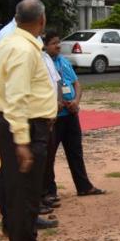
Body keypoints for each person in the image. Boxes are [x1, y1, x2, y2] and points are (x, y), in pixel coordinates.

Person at [0, 0, 62, 241]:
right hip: (25, 125)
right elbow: (17, 96)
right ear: (41, 21)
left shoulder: (11, 41)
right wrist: (21, 139)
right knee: (24, 194)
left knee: (25, 192)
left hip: (19, 123)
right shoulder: (23, 49)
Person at [42, 30, 105, 200]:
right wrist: (55, 103)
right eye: (54, 43)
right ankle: (49, 191)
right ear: (45, 46)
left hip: (70, 114)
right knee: (49, 155)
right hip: (54, 116)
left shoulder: (64, 61)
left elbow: (76, 83)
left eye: (58, 42)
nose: (58, 46)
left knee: (75, 151)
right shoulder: (43, 62)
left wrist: (76, 101)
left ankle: (84, 186)